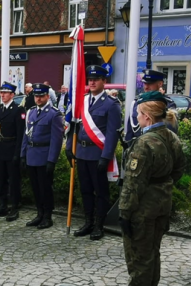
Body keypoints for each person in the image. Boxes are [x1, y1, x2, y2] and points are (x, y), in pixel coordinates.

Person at [112, 91, 185, 286]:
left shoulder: (145, 142)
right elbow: (179, 169)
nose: (137, 117)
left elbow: (133, 183)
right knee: (153, 252)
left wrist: (124, 212)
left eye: (139, 114)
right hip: (162, 202)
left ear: (147, 116)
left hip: (143, 207)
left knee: (139, 255)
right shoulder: (171, 136)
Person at [67, 65, 122, 240]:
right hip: (82, 152)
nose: (91, 82)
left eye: (96, 79)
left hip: (98, 153)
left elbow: (112, 133)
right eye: (89, 79)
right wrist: (69, 146)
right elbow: (74, 125)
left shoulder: (111, 104)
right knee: (85, 190)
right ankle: (88, 221)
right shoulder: (82, 101)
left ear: (104, 82)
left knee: (101, 192)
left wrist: (106, 156)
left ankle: (99, 225)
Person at [21, 83, 64, 229]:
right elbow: (26, 135)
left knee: (45, 188)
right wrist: (23, 154)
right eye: (36, 96)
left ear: (47, 96)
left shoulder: (54, 114)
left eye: (41, 96)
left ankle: (47, 216)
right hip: (32, 154)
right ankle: (39, 213)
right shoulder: (31, 112)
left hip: (44, 156)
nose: (38, 99)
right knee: (35, 187)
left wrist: (52, 160)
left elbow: (56, 140)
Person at [0, 82, 25, 221]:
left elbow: (20, 134)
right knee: (2, 179)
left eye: (5, 93)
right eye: (1, 92)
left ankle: (15, 207)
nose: (2, 95)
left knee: (14, 180)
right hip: (1, 149)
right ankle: (2, 205)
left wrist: (18, 154)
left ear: (12, 95)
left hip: (12, 148)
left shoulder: (18, 110)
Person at [125, 69, 178, 144]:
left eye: (150, 84)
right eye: (144, 83)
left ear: (160, 84)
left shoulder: (167, 104)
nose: (146, 87)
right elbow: (130, 134)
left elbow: (170, 135)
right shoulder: (136, 103)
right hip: (137, 149)